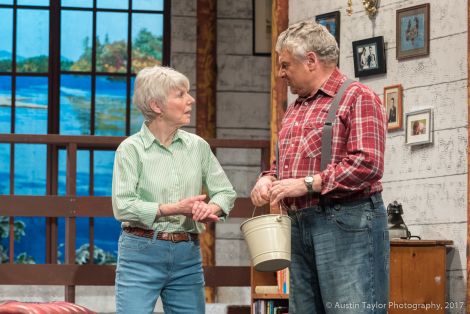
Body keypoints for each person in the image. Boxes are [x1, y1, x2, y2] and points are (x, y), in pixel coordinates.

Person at [250, 20, 389, 314]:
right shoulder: (296, 107)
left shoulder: (357, 97)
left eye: (286, 65)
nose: (281, 73)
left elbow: (368, 164)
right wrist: (269, 178)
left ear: (311, 60)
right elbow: (284, 162)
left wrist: (307, 183)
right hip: (301, 225)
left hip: (345, 224)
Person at [112, 65, 237, 314]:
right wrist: (175, 209)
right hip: (140, 252)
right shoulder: (130, 149)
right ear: (157, 105)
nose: (190, 100)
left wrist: (209, 207)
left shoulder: (197, 147)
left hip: (186, 253)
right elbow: (123, 205)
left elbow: (226, 193)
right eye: (180, 95)